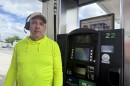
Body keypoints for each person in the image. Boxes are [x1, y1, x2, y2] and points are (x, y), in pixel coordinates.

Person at [4, 12, 63, 86]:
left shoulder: (54, 46)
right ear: (28, 26)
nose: (38, 26)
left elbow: (58, 72)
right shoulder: (18, 46)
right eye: (34, 23)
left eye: (41, 24)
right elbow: (13, 69)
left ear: (45, 28)